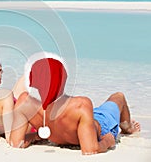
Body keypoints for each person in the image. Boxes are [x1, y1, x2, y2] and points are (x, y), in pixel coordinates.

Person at [10, 52, 141, 154]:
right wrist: (108, 141)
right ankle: (128, 127)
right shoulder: (80, 105)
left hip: (82, 121)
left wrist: (35, 136)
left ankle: (122, 125)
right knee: (119, 97)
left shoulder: (25, 103)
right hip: (100, 125)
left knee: (92, 114)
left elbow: (16, 143)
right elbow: (90, 150)